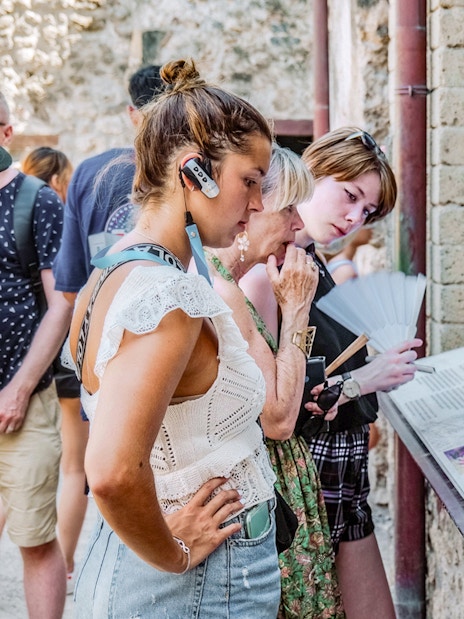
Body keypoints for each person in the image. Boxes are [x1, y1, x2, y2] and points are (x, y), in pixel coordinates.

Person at [65, 58, 280, 618]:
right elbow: (111, 473)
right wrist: (175, 553)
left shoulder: (110, 273)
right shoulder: (169, 300)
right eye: (250, 181)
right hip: (196, 584)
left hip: (150, 569)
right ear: (195, 173)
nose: (258, 204)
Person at [241, 126, 422, 619]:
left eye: (367, 211)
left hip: (345, 473)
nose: (354, 216)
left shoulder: (310, 262)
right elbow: (274, 411)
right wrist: (367, 380)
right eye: (350, 195)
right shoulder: (265, 271)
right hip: (305, 479)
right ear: (311, 173)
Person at [206, 143, 345, 618]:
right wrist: (297, 310)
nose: (298, 224)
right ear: (252, 205)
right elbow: (279, 419)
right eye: (288, 208)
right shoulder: (228, 292)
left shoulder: (226, 281)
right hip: (259, 497)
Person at [0, 93, 72, 618]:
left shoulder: (36, 201)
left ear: (6, 134)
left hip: (22, 404)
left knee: (34, 538)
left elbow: (60, 305)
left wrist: (20, 388)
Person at [21, 146, 89, 593]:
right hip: (65, 355)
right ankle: (64, 564)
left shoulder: (17, 209)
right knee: (73, 468)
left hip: (26, 357)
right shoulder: (58, 216)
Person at [53, 64, 164, 303]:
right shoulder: (196, 176)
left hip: (99, 323)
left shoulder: (88, 172)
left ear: (132, 113)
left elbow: (71, 289)